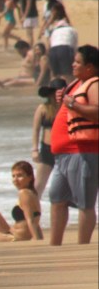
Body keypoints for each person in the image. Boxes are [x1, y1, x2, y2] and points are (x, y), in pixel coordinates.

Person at [49, 45, 99, 245]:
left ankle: (83, 247)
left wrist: (72, 104)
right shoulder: (78, 83)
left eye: (78, 62)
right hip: (63, 155)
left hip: (81, 152)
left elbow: (96, 111)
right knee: (57, 199)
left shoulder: (94, 83)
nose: (73, 65)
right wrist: (64, 99)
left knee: (85, 203)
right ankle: (54, 245)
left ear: (90, 67)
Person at [31, 78, 65, 196]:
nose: (57, 94)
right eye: (55, 92)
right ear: (50, 93)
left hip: (65, 151)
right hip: (47, 149)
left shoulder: (68, 107)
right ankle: (31, 213)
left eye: (61, 91)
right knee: (38, 186)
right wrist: (35, 149)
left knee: (67, 187)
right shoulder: (43, 108)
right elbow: (36, 129)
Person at [44, 3, 78, 78]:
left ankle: (54, 88)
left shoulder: (54, 30)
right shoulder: (71, 30)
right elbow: (74, 48)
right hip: (65, 49)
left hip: (53, 50)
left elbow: (49, 46)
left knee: (55, 76)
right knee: (68, 76)